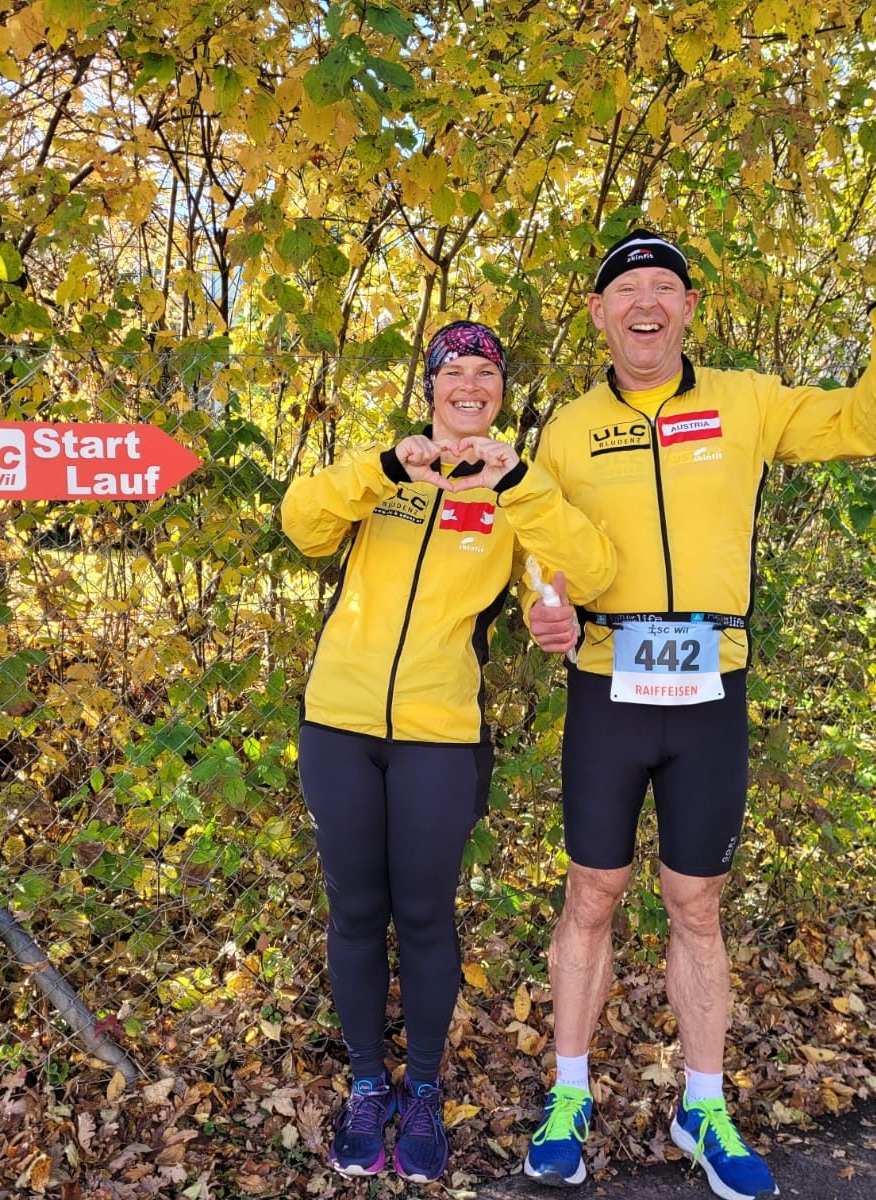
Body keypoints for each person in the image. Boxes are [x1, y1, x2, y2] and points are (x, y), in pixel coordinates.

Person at [518, 213, 876, 1198]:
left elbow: (873, 423)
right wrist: (544, 600)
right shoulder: (570, 427)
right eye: (627, 289)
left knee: (694, 905)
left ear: (690, 308)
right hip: (608, 685)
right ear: (598, 313)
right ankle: (567, 1098)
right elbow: (537, 539)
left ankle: (702, 1104)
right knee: (591, 895)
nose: (646, 302)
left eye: (664, 287)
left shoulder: (745, 402)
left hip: (708, 689)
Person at [280, 321, 617, 1183]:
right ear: (431, 387)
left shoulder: (510, 490)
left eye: (486, 372)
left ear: (501, 392)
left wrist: (525, 492)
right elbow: (302, 525)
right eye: (454, 370)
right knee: (356, 912)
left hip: (439, 736)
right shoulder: (385, 473)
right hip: (340, 727)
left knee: (425, 916)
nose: (470, 383)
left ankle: (421, 1092)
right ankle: (365, 1087)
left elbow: (585, 567)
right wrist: (387, 468)